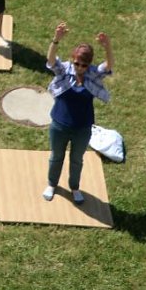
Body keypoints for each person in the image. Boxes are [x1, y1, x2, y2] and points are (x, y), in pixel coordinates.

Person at [43, 23, 113, 204]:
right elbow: (51, 61)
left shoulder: (93, 74)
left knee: (77, 160)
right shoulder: (65, 71)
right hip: (59, 125)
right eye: (76, 63)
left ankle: (74, 188)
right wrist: (56, 39)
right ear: (72, 59)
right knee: (56, 156)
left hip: (83, 128)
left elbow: (108, 66)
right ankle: (52, 184)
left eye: (83, 64)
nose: (79, 67)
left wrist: (107, 48)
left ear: (89, 64)